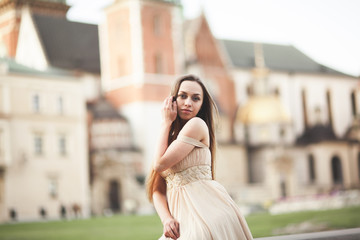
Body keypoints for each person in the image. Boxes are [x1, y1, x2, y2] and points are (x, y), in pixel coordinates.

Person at [146, 75, 253, 240]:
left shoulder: (197, 125)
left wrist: (165, 122)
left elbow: (159, 164)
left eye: (196, 98)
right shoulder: (168, 139)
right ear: (173, 99)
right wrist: (167, 219)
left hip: (208, 216)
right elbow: (156, 188)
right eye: (183, 96)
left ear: (202, 105)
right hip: (182, 223)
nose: (188, 102)